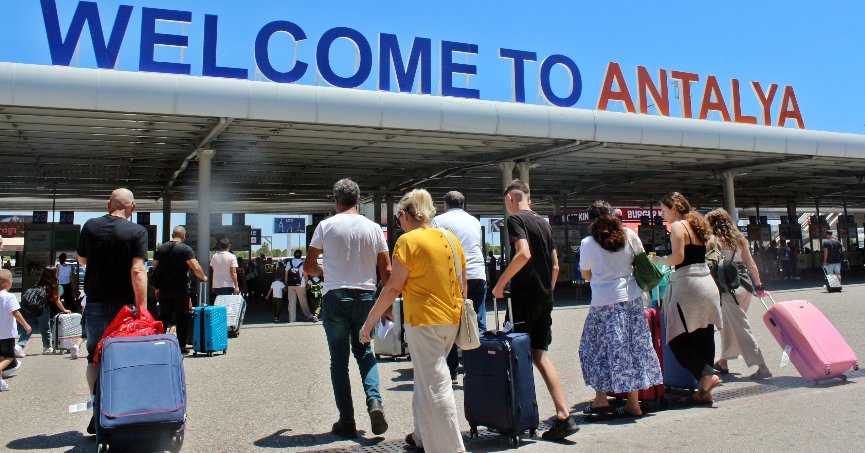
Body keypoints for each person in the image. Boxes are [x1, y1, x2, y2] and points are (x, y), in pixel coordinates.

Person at [360, 188, 466, 452]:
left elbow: (393, 287)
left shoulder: (407, 242)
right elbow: (463, 283)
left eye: (398, 218)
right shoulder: (451, 238)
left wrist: (369, 321)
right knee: (425, 378)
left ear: (405, 215)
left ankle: (450, 448)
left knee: (436, 385)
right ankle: (421, 436)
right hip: (451, 319)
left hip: (424, 320)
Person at [491, 179, 579, 440]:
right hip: (544, 299)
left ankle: (518, 418)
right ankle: (564, 415)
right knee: (540, 355)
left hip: (523, 299)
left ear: (510, 199)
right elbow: (554, 265)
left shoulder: (516, 220)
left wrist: (501, 283)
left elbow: (523, 254)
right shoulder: (543, 222)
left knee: (515, 355)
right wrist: (548, 293)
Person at [304, 178, 391, 439]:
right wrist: (387, 306)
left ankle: (347, 420)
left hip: (335, 296)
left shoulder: (325, 226)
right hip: (366, 297)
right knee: (365, 352)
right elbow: (386, 270)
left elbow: (309, 267)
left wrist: (323, 270)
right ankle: (374, 402)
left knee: (338, 361)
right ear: (360, 200)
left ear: (336, 200)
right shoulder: (374, 228)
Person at [578, 201, 663, 417]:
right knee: (632, 348)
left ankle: (600, 399)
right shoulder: (628, 236)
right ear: (614, 215)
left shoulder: (588, 243)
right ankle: (633, 403)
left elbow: (586, 274)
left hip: (602, 302)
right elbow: (642, 262)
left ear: (591, 220)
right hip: (631, 299)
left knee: (596, 349)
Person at [77, 188, 148, 434]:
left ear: (109, 204)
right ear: (133, 207)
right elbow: (138, 270)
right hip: (125, 308)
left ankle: (98, 410)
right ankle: (123, 412)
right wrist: (143, 307)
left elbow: (82, 260)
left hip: (95, 303)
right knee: (127, 357)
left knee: (94, 357)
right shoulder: (137, 232)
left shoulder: (90, 226)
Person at [649, 192, 722, 404]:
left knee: (677, 336)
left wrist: (657, 259)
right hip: (707, 283)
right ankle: (703, 391)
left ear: (674, 208)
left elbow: (678, 257)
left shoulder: (679, 226)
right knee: (704, 335)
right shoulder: (697, 224)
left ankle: (707, 375)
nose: (663, 215)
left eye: (663, 210)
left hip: (688, 285)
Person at [705, 209, 772, 380]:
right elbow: (751, 265)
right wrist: (758, 286)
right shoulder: (739, 239)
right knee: (730, 325)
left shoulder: (713, 241)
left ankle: (762, 366)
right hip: (745, 286)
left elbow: (708, 267)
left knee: (740, 327)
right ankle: (723, 361)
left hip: (729, 289)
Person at [431, 190, 488, 383]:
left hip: (453, 277)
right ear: (463, 204)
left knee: (450, 323)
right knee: (476, 321)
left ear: (445, 205)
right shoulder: (474, 221)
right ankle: (478, 369)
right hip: (478, 274)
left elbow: (435, 251)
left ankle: (452, 371)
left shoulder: (438, 221)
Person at [152, 226, 208, 354]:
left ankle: (159, 344)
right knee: (182, 318)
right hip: (181, 290)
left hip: (164, 289)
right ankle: (182, 346)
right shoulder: (186, 249)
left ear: (172, 234)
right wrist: (203, 277)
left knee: (163, 317)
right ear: (184, 236)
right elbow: (196, 267)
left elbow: (155, 268)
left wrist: (157, 287)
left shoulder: (161, 248)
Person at [18, 266, 70, 355]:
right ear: (54, 273)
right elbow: (57, 300)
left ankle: (19, 346)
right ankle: (46, 347)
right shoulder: (53, 284)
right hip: (42, 308)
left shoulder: (39, 283)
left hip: (29, 309)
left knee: (28, 328)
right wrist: (64, 310)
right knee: (45, 328)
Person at [0, 269, 31, 391]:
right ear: (8, 282)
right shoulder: (8, 296)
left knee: (1, 358)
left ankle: (1, 382)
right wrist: (25, 325)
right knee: (9, 357)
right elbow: (15, 312)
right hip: (6, 334)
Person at [285, 249, 315, 322]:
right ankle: (307, 315)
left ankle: (292, 319)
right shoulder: (303, 263)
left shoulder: (289, 263)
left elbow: (286, 275)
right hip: (301, 284)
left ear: (294, 255)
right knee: (303, 301)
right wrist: (307, 283)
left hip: (290, 284)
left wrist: (286, 284)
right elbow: (305, 275)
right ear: (300, 256)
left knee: (291, 302)